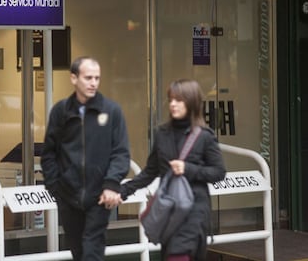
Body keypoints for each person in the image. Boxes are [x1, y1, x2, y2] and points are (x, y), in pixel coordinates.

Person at [119, 79, 226, 261]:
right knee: (172, 254)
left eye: (179, 100)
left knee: (178, 254)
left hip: (195, 211)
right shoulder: (162, 134)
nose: (173, 104)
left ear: (191, 102)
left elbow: (218, 172)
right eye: (171, 100)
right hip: (169, 212)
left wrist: (188, 169)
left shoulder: (204, 136)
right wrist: (123, 191)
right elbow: (150, 172)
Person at [41, 56, 131, 261]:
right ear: (74, 78)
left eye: (97, 78)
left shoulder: (111, 110)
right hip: (68, 195)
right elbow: (49, 153)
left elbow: (121, 152)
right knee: (78, 251)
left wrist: (111, 184)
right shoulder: (60, 111)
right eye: (88, 77)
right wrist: (55, 187)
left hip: (99, 195)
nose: (93, 83)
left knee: (92, 249)